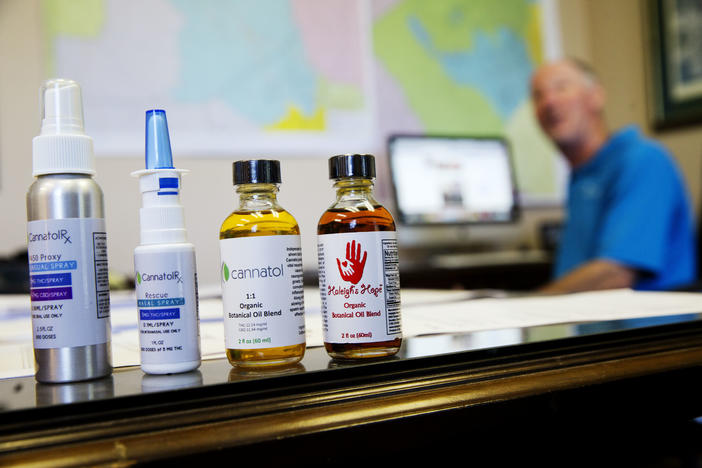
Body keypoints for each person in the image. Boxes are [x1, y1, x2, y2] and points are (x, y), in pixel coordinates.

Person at [530, 58, 696, 292]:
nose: (549, 102)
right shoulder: (581, 177)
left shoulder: (644, 160)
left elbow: (615, 275)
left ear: (596, 96)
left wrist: (529, 305)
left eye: (561, 88)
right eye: (538, 95)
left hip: (642, 326)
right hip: (586, 324)